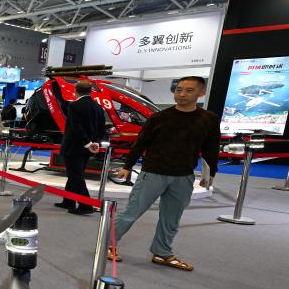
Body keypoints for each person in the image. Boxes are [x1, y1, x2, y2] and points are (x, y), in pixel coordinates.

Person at [108, 76, 219, 271]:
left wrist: (210, 173)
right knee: (131, 213)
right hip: (153, 173)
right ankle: (108, 245)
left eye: (189, 90)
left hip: (184, 176)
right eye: (178, 90)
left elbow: (211, 147)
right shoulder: (159, 117)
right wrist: (128, 166)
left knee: (171, 218)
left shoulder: (209, 119)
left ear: (201, 93)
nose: (181, 94)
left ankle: (162, 252)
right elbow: (141, 143)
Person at [56, 80, 106, 215]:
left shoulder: (74, 106)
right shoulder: (98, 106)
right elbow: (102, 128)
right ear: (90, 92)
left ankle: (86, 205)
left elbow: (76, 127)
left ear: (76, 91)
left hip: (74, 146)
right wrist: (95, 143)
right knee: (74, 174)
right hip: (88, 148)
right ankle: (69, 200)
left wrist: (88, 143)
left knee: (76, 176)